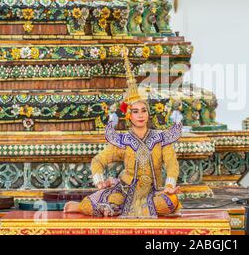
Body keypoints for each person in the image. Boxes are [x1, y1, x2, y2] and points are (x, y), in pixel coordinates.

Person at [63, 47, 182, 218]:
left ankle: (118, 209)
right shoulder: (124, 140)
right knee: (91, 205)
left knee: (170, 202)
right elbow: (98, 160)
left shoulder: (160, 138)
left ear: (148, 114)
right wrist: (99, 182)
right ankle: (91, 206)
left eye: (143, 110)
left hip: (152, 192)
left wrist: (170, 184)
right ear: (129, 116)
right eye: (135, 111)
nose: (140, 115)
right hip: (125, 189)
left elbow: (172, 164)